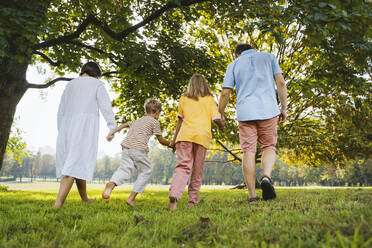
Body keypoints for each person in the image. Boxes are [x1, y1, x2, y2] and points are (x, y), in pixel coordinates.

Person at [218, 43, 287, 202]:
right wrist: (283, 108)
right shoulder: (269, 57)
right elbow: (281, 83)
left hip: (246, 112)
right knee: (269, 146)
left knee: (248, 151)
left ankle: (252, 195)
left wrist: (220, 114)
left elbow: (225, 93)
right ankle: (266, 177)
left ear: (237, 54)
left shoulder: (233, 64)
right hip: (268, 110)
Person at [54, 62, 116, 208]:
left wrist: (61, 130)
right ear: (95, 73)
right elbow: (106, 107)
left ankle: (85, 198)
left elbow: (61, 109)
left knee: (77, 161)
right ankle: (58, 204)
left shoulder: (70, 85)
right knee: (72, 165)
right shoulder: (97, 84)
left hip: (66, 128)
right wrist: (112, 128)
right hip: (84, 128)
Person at [168, 74, 226, 211]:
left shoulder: (183, 99)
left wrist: (174, 139)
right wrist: (221, 125)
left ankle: (174, 195)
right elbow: (216, 118)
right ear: (205, 85)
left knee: (183, 166)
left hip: (184, 136)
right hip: (202, 137)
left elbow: (180, 121)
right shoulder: (209, 99)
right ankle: (193, 202)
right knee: (197, 171)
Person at [102, 99, 174, 207]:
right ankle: (131, 198)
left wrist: (112, 132)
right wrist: (171, 144)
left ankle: (111, 184)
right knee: (146, 171)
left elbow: (124, 125)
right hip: (138, 149)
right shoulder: (155, 122)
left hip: (126, 148)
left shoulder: (138, 120)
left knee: (125, 169)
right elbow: (161, 140)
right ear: (157, 112)